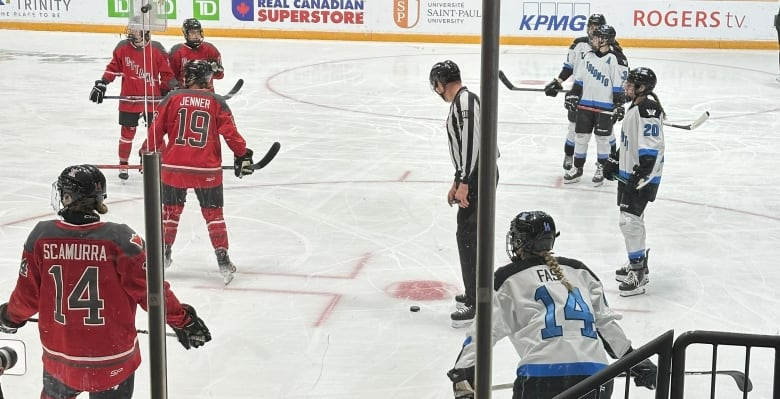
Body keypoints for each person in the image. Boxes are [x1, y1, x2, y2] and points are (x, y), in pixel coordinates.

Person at [0, 164, 211, 399]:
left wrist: (9, 318)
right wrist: (183, 320)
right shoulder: (120, 239)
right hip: (113, 364)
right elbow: (152, 293)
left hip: (60, 363)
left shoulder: (42, 236)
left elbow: (26, 298)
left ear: (68, 197)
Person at [446, 210, 658, 399]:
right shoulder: (580, 271)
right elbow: (606, 326)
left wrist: (463, 373)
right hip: (597, 376)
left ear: (520, 242)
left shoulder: (507, 278)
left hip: (543, 378)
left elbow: (483, 334)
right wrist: (637, 362)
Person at [144, 60, 254, 285]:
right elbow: (231, 134)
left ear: (188, 78)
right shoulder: (216, 102)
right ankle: (223, 259)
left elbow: (155, 132)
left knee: (170, 213)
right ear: (206, 79)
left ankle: (163, 254)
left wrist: (147, 153)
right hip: (207, 170)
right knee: (214, 216)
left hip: (174, 168)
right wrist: (243, 154)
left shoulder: (171, 98)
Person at [429, 60, 494, 328]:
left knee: (469, 237)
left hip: (478, 176)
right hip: (473, 175)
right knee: (468, 235)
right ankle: (474, 292)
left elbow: (472, 143)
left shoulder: (465, 101)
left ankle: (475, 300)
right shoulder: (462, 102)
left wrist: (466, 180)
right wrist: (458, 180)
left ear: (441, 82)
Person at [89, 18, 178, 181]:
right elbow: (113, 68)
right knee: (127, 133)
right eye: (131, 29)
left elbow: (166, 74)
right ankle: (124, 164)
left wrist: (170, 87)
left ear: (145, 31)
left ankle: (154, 161)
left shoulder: (157, 49)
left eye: (135, 30)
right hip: (129, 99)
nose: (131, 33)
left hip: (152, 99)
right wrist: (103, 82)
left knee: (155, 133)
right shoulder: (122, 47)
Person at [603, 67, 665, 297]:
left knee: (629, 221)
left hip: (642, 176)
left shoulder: (647, 108)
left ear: (642, 88)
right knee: (631, 220)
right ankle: (637, 264)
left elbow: (651, 146)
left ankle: (638, 273)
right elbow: (631, 140)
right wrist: (614, 159)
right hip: (631, 172)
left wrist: (642, 172)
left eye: (631, 84)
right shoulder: (637, 106)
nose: (626, 87)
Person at [563, 24, 628, 186]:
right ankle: (578, 168)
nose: (592, 39)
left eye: (596, 37)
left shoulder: (617, 59)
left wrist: (619, 105)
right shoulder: (588, 56)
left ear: (605, 40)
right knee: (581, 137)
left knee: (602, 139)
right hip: (585, 105)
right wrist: (572, 94)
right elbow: (579, 81)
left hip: (604, 107)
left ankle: (601, 167)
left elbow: (620, 86)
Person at [544, 14, 607, 172]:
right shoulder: (578, 44)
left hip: (601, 96)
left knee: (604, 135)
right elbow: (569, 67)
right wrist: (558, 81)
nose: (592, 30)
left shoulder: (610, 46)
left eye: (596, 27)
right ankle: (569, 155)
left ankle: (605, 164)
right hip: (578, 93)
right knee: (574, 128)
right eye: (590, 26)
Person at [169, 18, 224, 91]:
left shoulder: (211, 49)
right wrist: (176, 90)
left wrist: (215, 69)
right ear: (186, 34)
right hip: (185, 97)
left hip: (206, 95)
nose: (196, 36)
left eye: (197, 33)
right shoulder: (176, 52)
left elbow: (220, 75)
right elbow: (170, 77)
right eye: (192, 33)